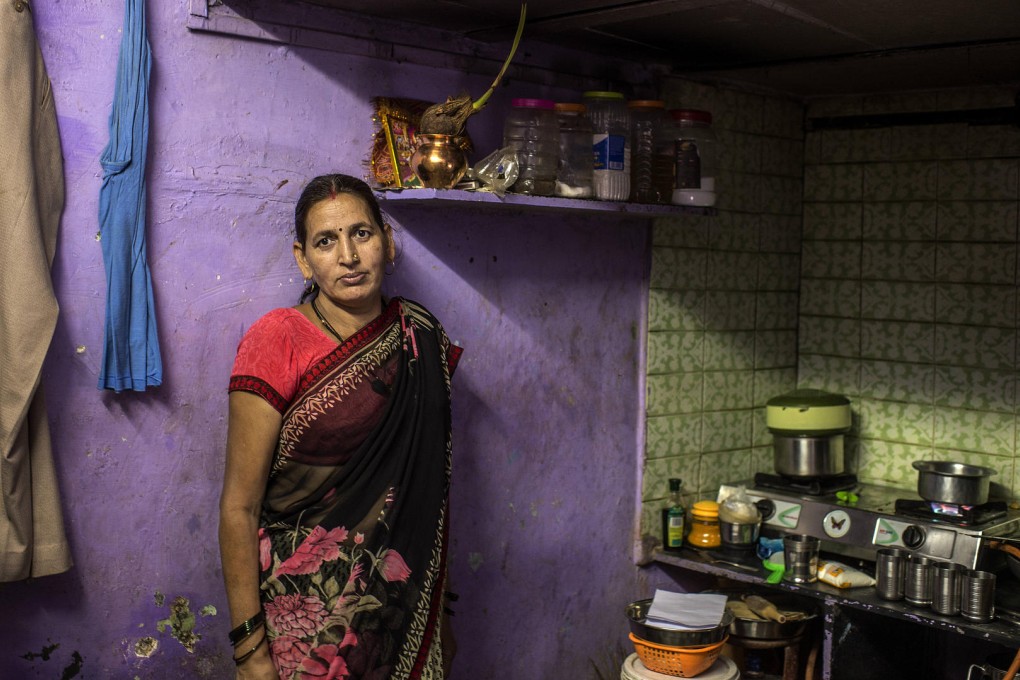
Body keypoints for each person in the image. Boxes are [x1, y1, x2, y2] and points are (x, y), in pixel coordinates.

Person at [219, 173, 462, 680]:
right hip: (302, 617)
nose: (348, 256)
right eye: (325, 242)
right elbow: (239, 507)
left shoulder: (420, 336)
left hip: (402, 615)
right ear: (303, 258)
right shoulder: (277, 339)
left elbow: (423, 494)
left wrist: (436, 617)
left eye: (362, 233)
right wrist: (250, 652)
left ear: (387, 242)